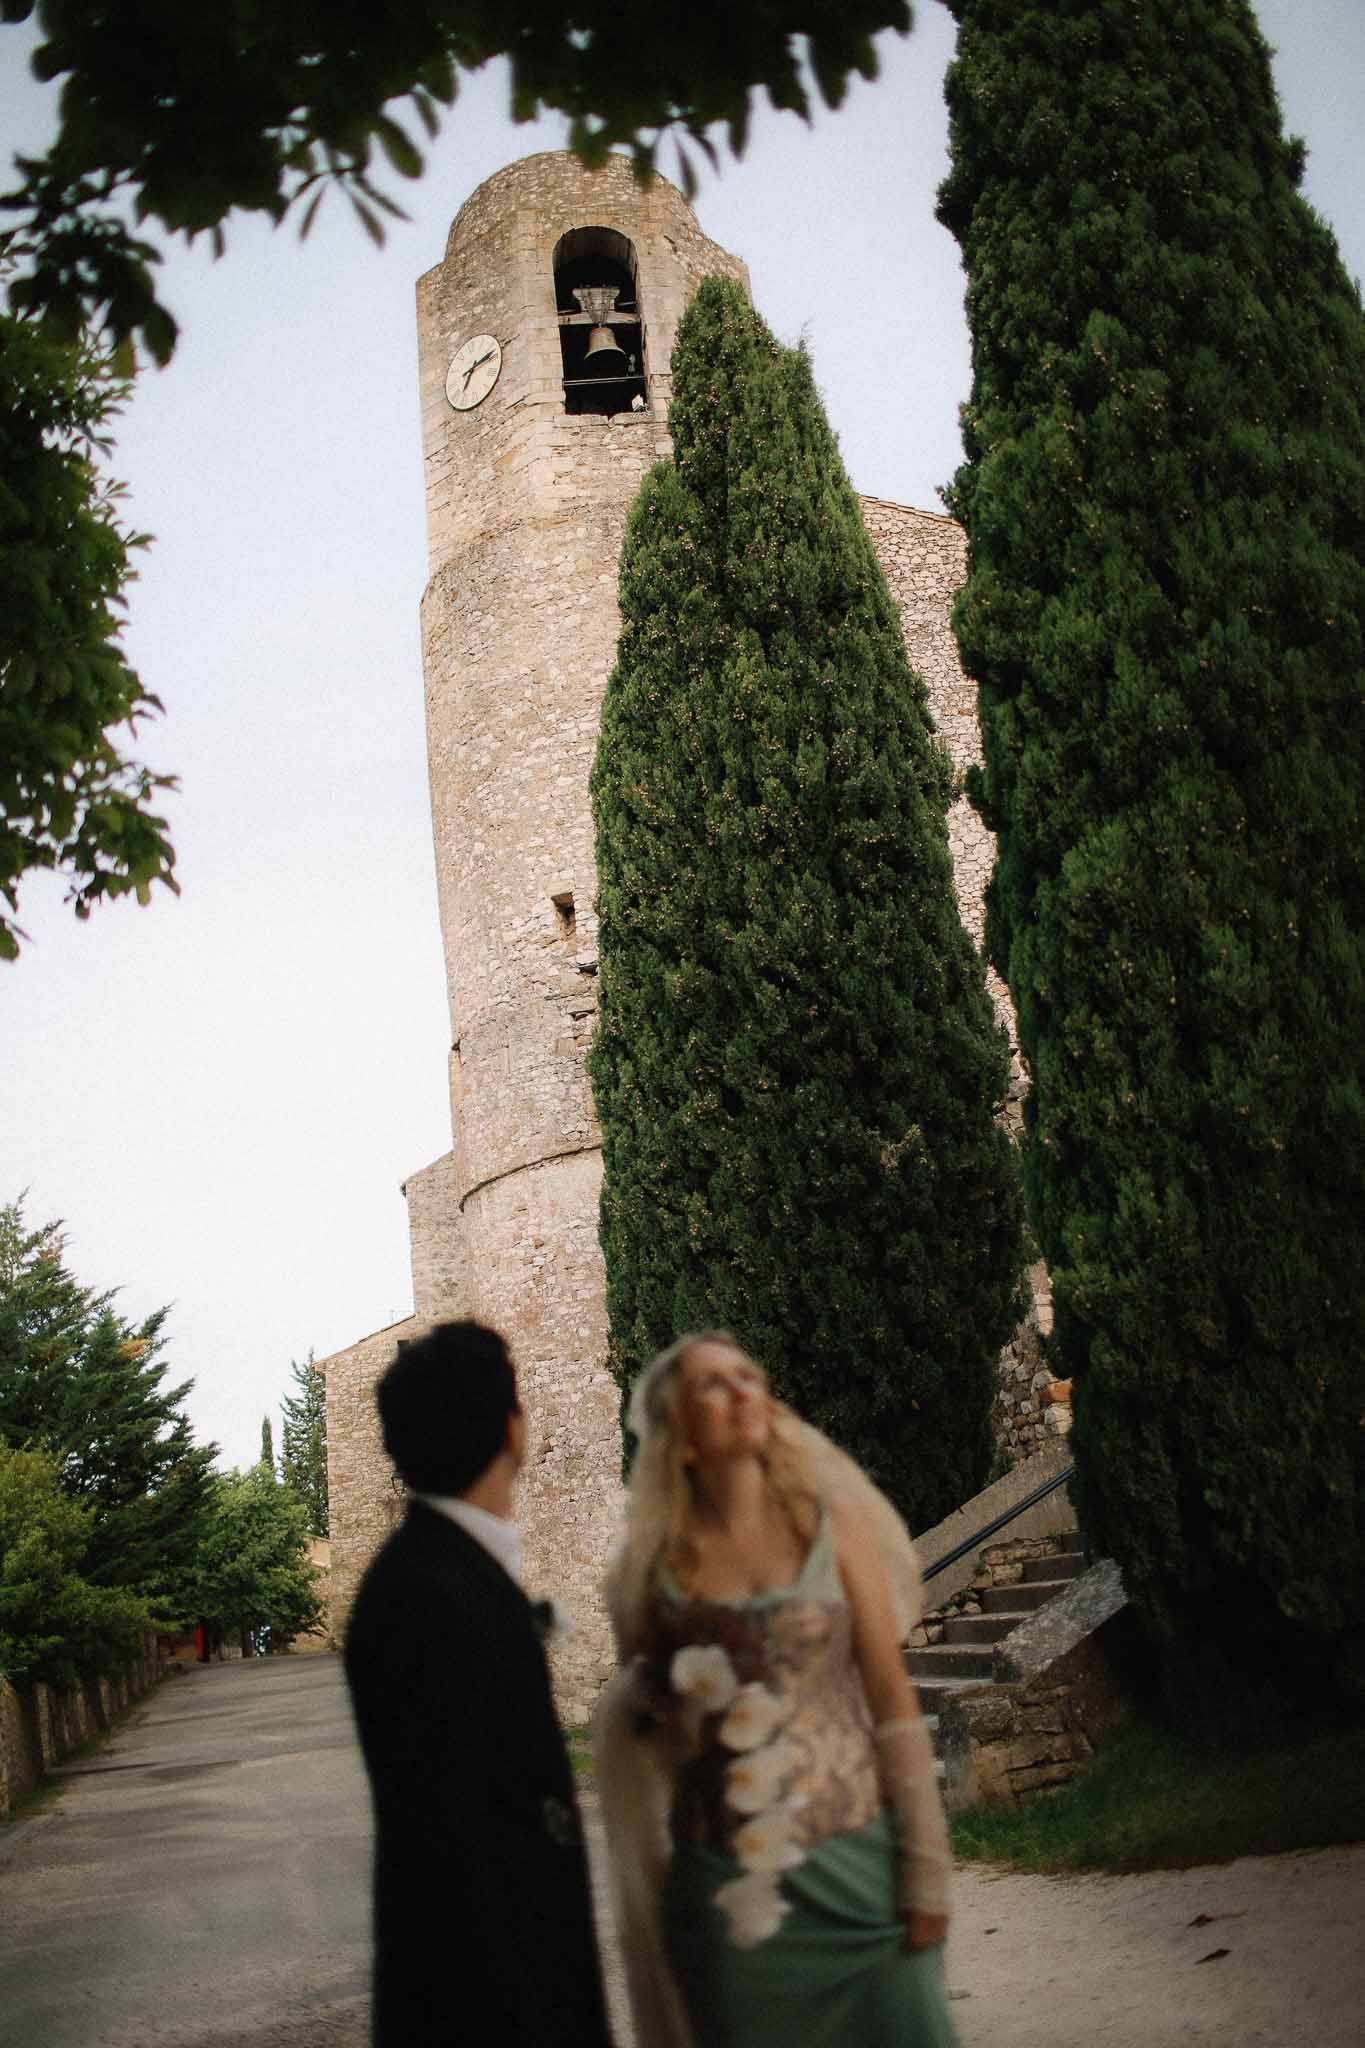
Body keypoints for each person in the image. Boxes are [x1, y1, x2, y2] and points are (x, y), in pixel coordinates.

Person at [594, 1330, 958, 2048]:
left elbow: (891, 1699)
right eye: (711, 1384)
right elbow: (647, 1730)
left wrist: (926, 1870)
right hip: (735, 1907)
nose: (739, 1391)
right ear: (680, 1435)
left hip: (861, 1879)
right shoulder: (648, 1574)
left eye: (746, 1376)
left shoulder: (835, 1529)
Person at [343, 1319, 612, 2047]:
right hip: (487, 2005)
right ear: (511, 1429)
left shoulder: (436, 1572)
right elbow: (468, 1847)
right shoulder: (427, 1594)